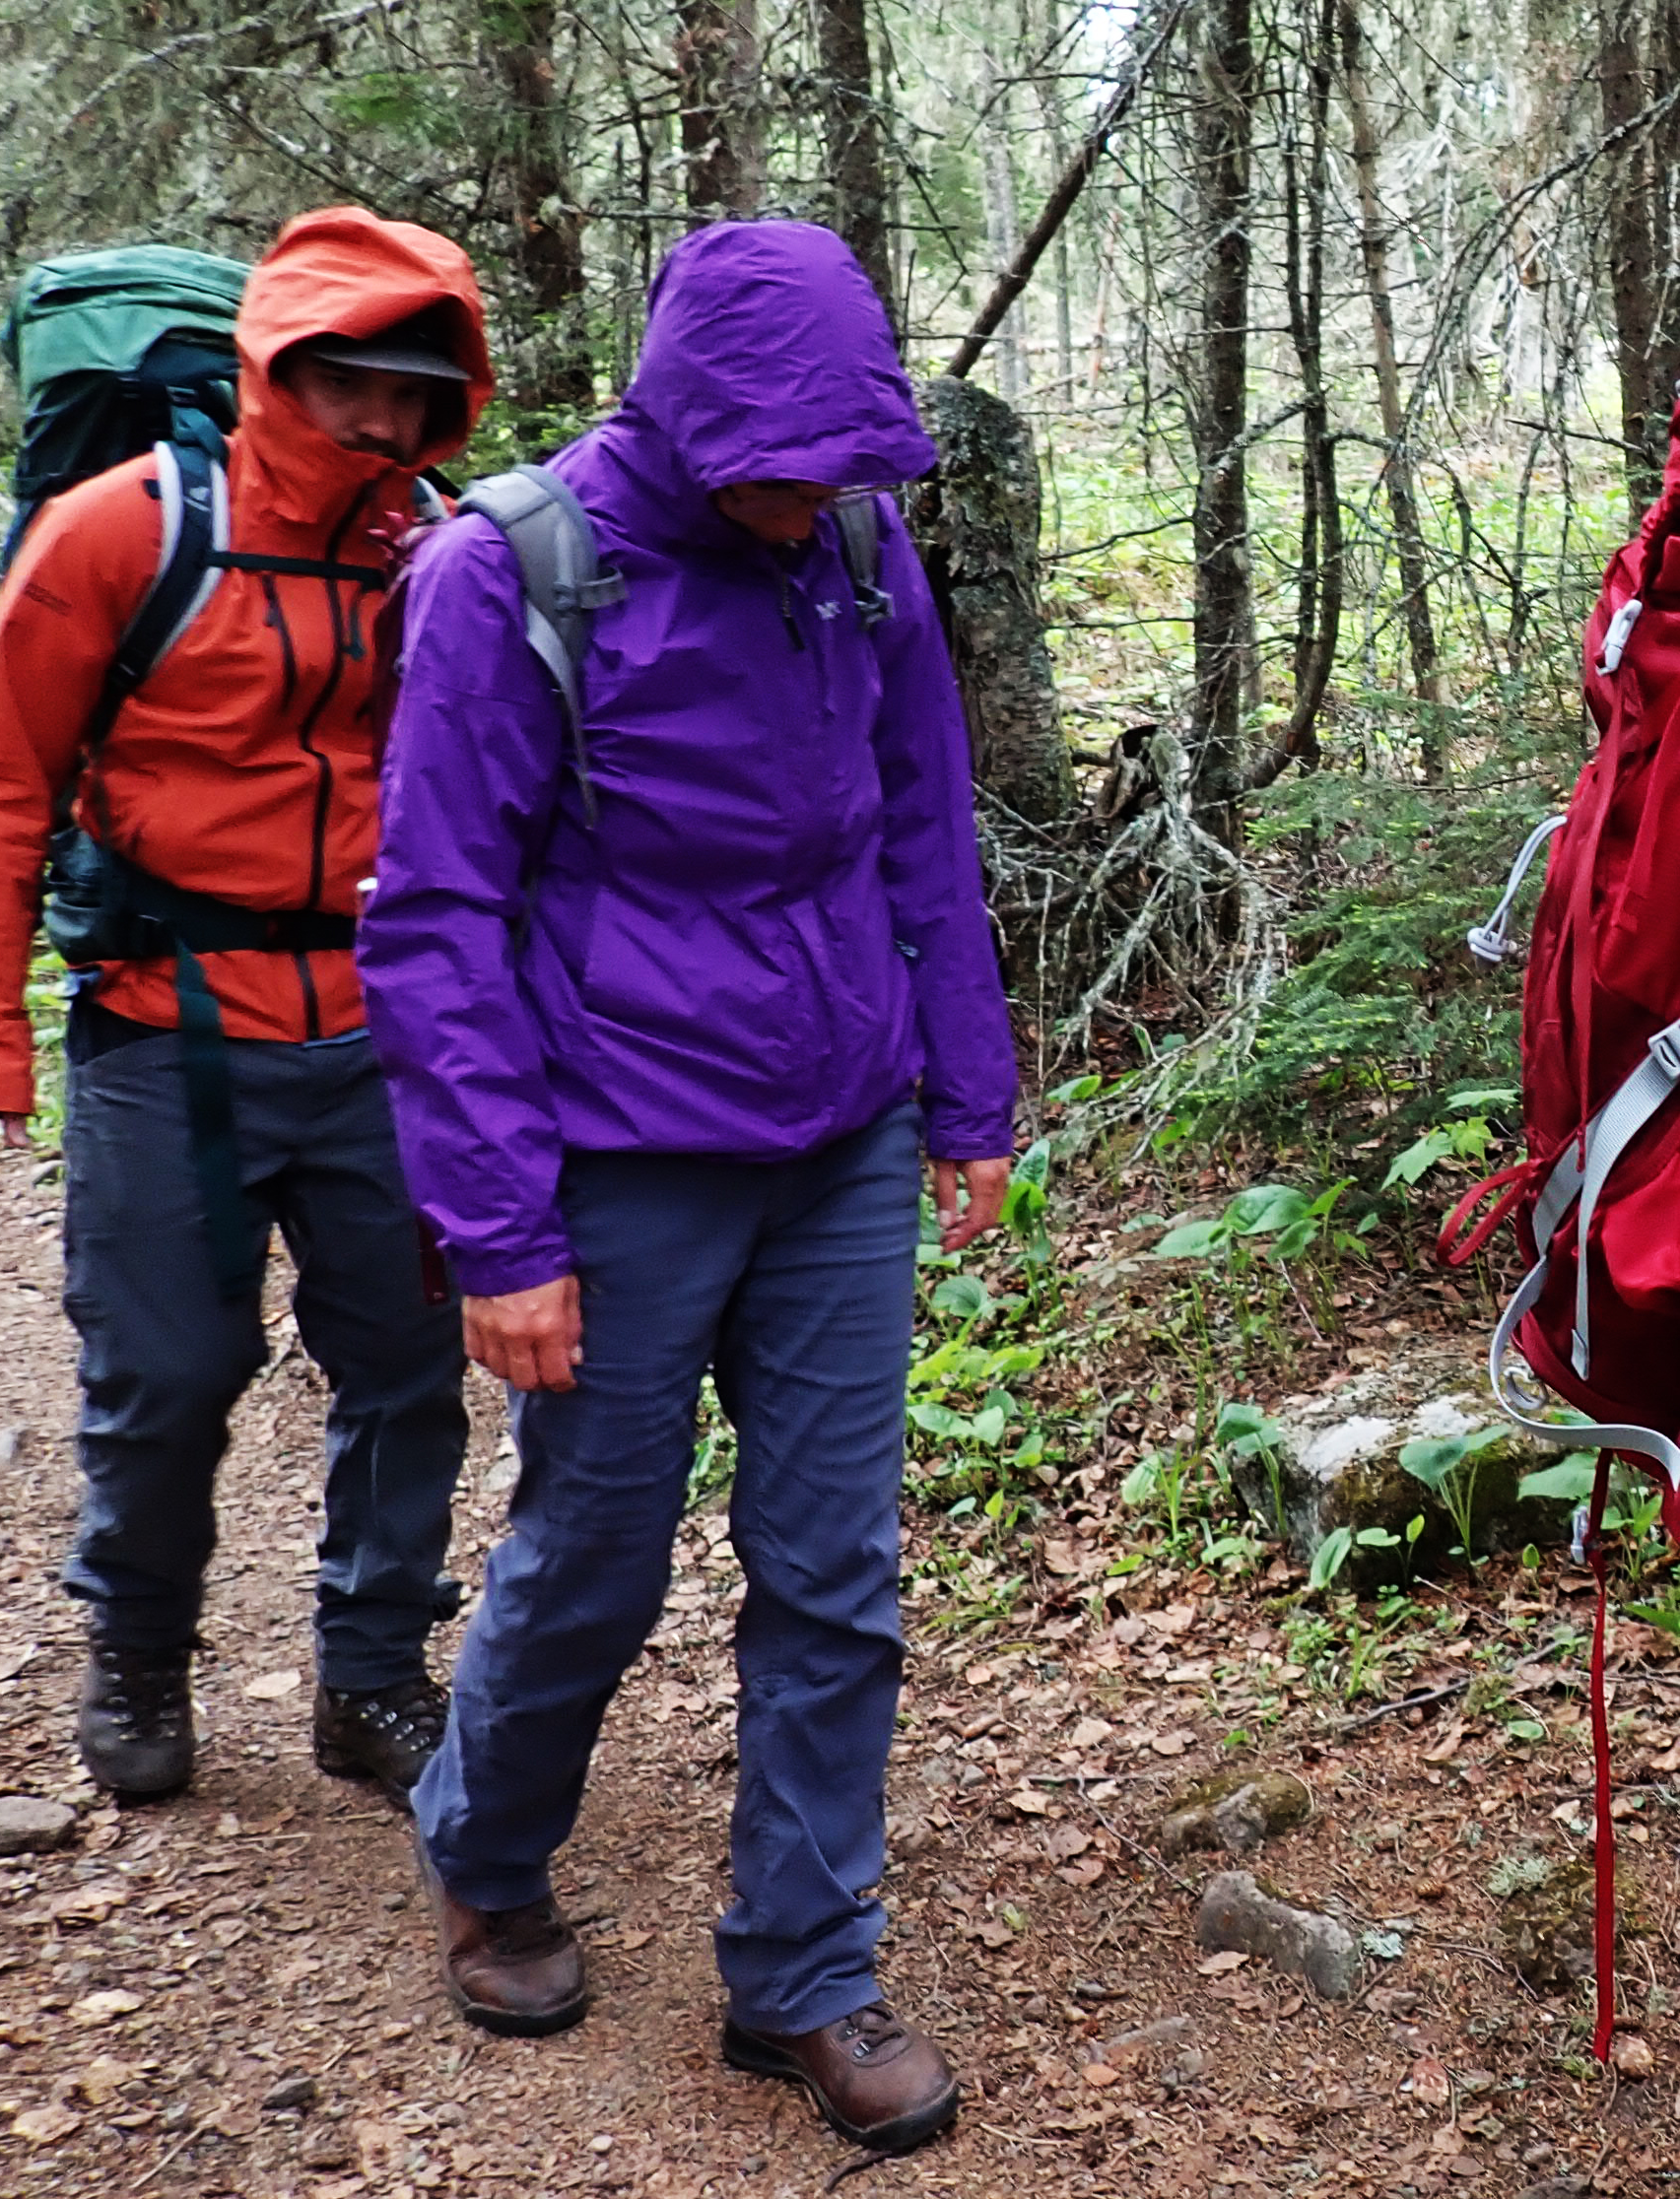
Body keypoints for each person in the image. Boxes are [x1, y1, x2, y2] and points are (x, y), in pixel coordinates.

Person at [361, 219, 1016, 2159]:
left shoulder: (857, 551)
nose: (808, 501)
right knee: (598, 1545)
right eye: (782, 466)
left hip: (835, 1144)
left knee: (836, 1571)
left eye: (841, 467)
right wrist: (499, 1231)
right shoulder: (514, 573)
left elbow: (923, 823)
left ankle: (801, 1972)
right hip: (617, 1156)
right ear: (687, 411)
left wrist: (966, 1097)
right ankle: (485, 1853)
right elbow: (436, 920)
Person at [0, 208, 494, 1805]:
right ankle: (141, 1652)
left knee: (407, 1369)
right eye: (348, 383)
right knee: (164, 1376)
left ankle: (370, 1677)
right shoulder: (123, 531)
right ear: (276, 368)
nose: (379, 420)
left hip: (389, 1027)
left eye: (413, 392)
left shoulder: (443, 551)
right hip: (167, 1024)